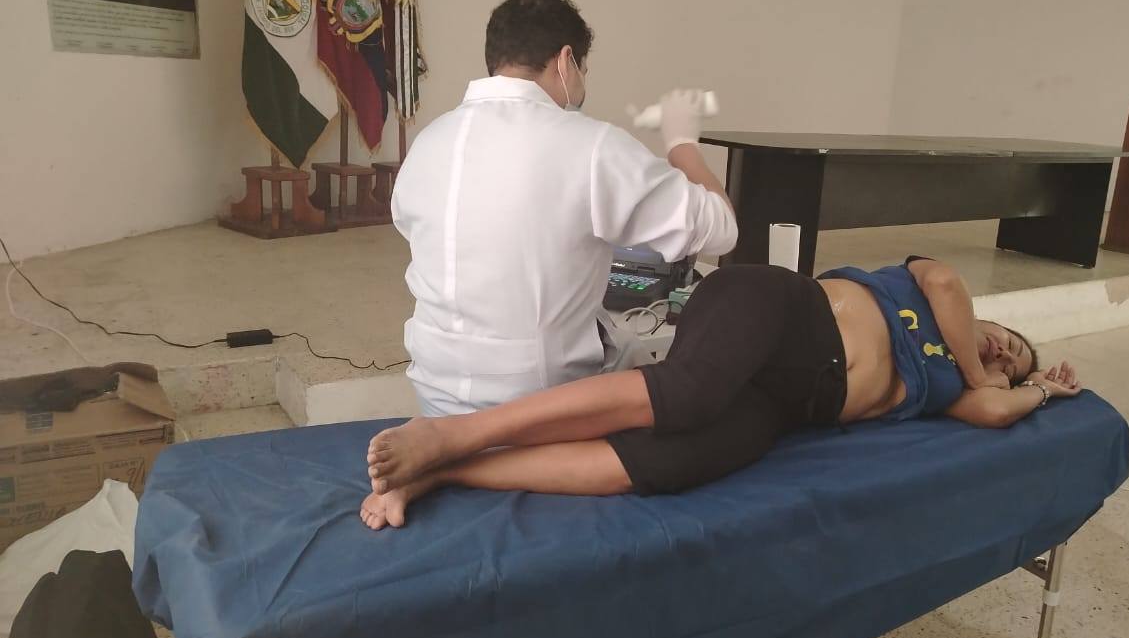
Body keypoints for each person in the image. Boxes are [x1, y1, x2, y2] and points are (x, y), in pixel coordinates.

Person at [360, 256, 1083, 529]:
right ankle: (453, 433)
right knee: (689, 393)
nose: (1004, 352)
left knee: (666, 465)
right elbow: (948, 283)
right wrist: (984, 365)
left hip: (783, 407)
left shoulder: (956, 388)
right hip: (779, 311)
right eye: (1007, 339)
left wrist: (1039, 389)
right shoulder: (936, 298)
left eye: (1015, 361)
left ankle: (445, 472)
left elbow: (995, 410)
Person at [389, 0, 736, 422]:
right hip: (538, 405)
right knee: (677, 379)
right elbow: (721, 230)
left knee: (612, 330)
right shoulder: (590, 145)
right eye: (583, 69)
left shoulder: (428, 142)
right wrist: (681, 142)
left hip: (435, 395)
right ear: (566, 60)